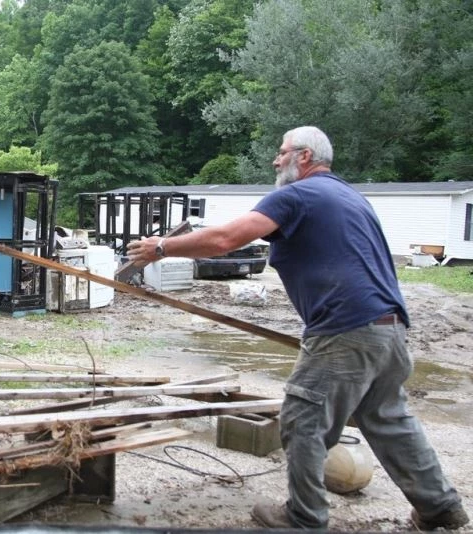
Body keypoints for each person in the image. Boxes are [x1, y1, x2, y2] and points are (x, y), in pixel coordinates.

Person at [126, 126, 469, 530]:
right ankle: (440, 507)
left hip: (345, 328)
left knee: (303, 419)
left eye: (282, 151)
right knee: (389, 420)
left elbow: (225, 240)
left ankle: (304, 518)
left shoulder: (297, 194)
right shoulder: (348, 196)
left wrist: (160, 248)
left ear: (303, 157)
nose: (275, 159)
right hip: (389, 328)